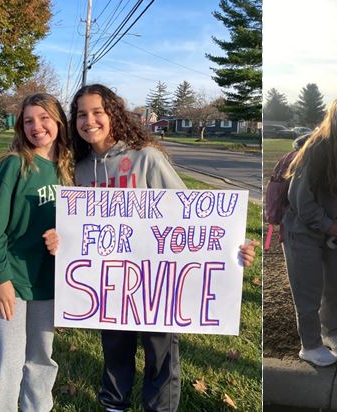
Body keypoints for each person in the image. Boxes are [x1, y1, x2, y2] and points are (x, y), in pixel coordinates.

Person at [43, 83, 257, 411]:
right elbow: (77, 227)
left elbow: (190, 215)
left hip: (156, 281)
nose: (90, 121)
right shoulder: (79, 169)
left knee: (160, 353)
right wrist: (63, 239)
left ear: (112, 114)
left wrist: (231, 247)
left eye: (97, 112)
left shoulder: (146, 158)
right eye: (82, 115)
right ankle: (114, 404)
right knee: (115, 348)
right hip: (109, 281)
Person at [0, 93, 74, 411]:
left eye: (44, 118)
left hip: (46, 282)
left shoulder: (67, 170)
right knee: (8, 360)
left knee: (41, 359)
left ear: (58, 120)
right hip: (10, 280)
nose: (37, 126)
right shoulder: (14, 165)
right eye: (29, 120)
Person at [281, 97, 337, 367]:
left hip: (331, 235)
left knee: (334, 288)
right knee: (308, 292)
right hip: (302, 231)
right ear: (335, 118)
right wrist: (328, 224)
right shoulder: (318, 148)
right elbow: (299, 198)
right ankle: (310, 345)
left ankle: (328, 332)